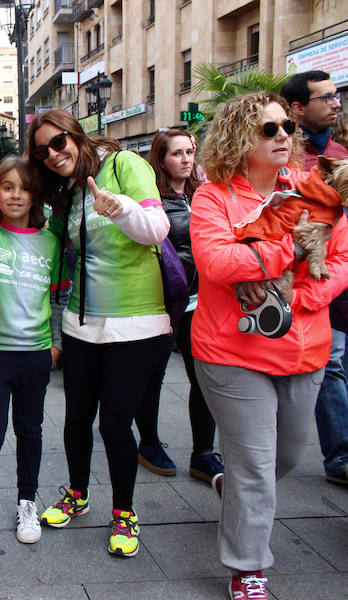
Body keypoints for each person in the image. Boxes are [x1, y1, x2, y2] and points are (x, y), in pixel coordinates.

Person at [190, 91, 348, 599]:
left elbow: (340, 260)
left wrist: (300, 296)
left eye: (286, 128)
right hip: (231, 351)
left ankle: (229, 486)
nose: (283, 136)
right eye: (269, 129)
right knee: (257, 467)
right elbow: (216, 263)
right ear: (240, 137)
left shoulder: (313, 191)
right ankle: (248, 567)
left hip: (305, 348)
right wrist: (292, 245)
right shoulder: (213, 197)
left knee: (281, 459)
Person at [30, 110, 171, 559]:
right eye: (42, 151)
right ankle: (77, 493)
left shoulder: (124, 166)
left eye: (58, 143)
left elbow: (157, 229)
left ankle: (124, 512)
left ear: (76, 136)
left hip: (137, 324)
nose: (52, 154)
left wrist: (122, 208)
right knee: (75, 420)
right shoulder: (67, 195)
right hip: (81, 325)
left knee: (114, 423)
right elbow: (50, 250)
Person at [0, 156, 59, 548]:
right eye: (7, 187)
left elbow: (59, 295)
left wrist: (56, 344)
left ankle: (26, 503)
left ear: (35, 193)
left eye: (24, 187)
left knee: (30, 432)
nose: (16, 195)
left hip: (35, 353)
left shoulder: (51, 241)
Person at [136, 129, 224, 484]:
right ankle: (149, 443)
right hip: (164, 303)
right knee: (152, 377)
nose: (186, 159)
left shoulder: (203, 196)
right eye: (177, 153)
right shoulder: (153, 199)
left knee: (202, 378)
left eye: (190, 152)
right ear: (161, 158)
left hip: (202, 302)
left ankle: (203, 453)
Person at [281, 71, 348, 486]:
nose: (336, 103)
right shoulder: (285, 154)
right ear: (299, 109)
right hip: (292, 286)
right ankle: (340, 455)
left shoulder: (340, 152)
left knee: (334, 363)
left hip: (331, 278)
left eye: (336, 95)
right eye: (326, 98)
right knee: (332, 364)